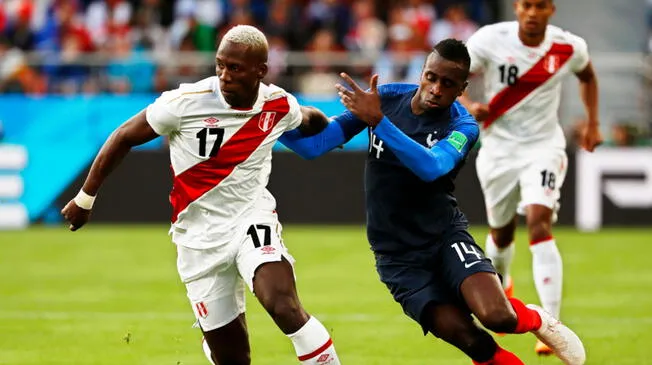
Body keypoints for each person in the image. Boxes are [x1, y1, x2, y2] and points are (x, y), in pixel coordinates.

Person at [280, 39, 585, 365]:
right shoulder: (388, 98)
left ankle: (537, 319)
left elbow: (431, 167)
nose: (436, 88)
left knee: (498, 318)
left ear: (462, 89)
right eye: (431, 77)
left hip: (444, 239)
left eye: (448, 84)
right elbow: (315, 146)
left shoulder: (462, 126)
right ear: (422, 72)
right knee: (474, 343)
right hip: (397, 259)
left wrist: (379, 123)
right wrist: (269, 118)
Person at [61, 25, 342, 365]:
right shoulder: (184, 103)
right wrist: (85, 199)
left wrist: (342, 121)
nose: (224, 75)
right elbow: (123, 136)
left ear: (261, 71)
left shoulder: (277, 104)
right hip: (197, 240)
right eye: (220, 65)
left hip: (250, 220)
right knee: (234, 357)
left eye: (234, 68)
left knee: (283, 304)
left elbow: (309, 119)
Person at [458, 0, 602, 356]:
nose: (533, 12)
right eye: (526, 5)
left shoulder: (568, 46)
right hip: (497, 150)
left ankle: (551, 324)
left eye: (540, 6)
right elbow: (453, 73)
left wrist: (593, 122)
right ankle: (502, 287)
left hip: (543, 147)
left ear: (551, 9)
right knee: (501, 232)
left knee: (539, 222)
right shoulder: (489, 39)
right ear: (517, 9)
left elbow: (587, 75)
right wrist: (466, 105)